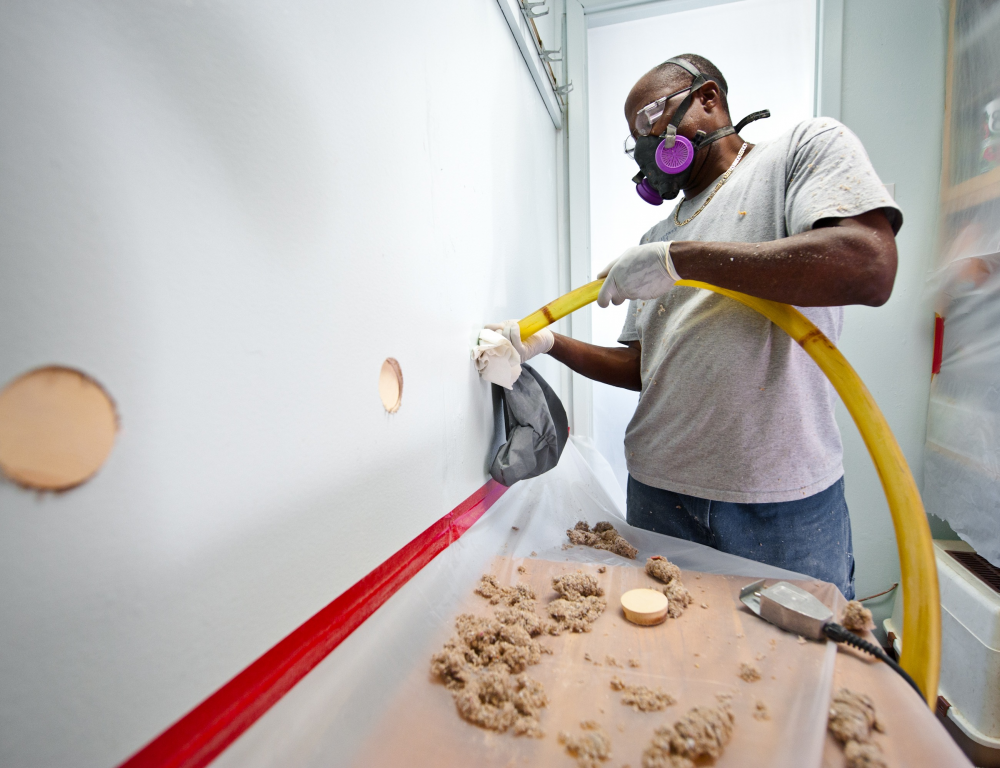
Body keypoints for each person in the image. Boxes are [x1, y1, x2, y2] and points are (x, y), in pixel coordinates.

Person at [490, 54, 901, 599]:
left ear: (708, 99)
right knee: (672, 662)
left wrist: (679, 261)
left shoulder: (799, 153)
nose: (644, 140)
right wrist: (550, 343)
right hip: (660, 494)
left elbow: (868, 266)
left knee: (795, 666)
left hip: (780, 502)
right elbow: (644, 369)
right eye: (632, 134)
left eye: (652, 116)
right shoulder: (657, 238)